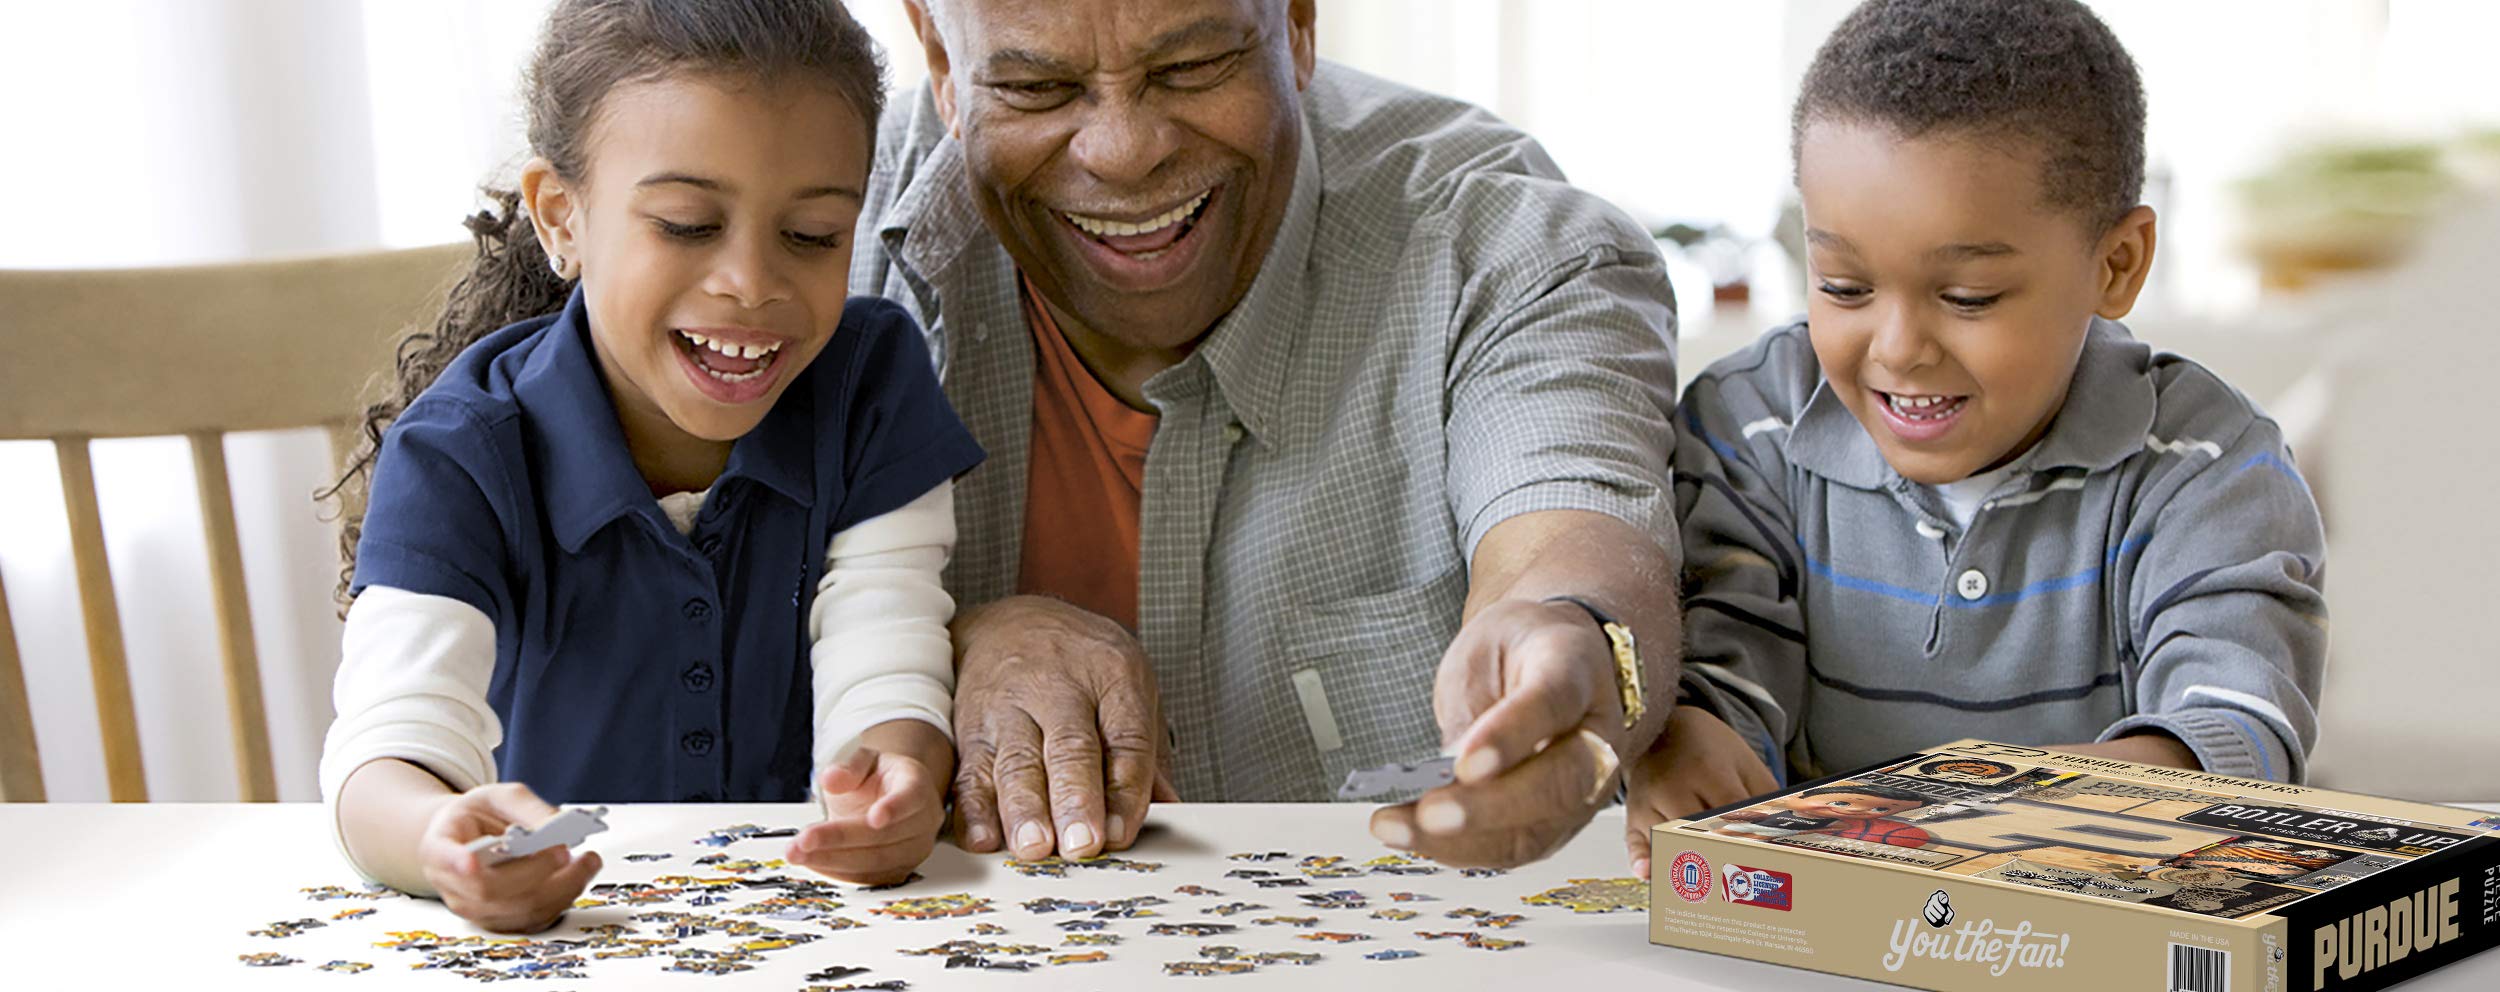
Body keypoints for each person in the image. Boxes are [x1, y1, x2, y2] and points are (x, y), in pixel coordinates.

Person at [857, 0, 1697, 869]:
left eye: (1190, 68)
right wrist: (934, 641)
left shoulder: (1502, 243)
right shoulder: (801, 222)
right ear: (942, 61)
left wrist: (1574, 639)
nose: (1124, 151)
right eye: (1036, 87)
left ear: (1297, 22)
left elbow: (1568, 528)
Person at [316, 0, 983, 932]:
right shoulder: (460, 452)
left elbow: (886, 648)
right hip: (565, 940)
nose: (751, 281)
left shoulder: (871, 385)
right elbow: (386, 751)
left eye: (813, 235)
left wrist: (895, 777)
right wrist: (438, 836)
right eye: (684, 223)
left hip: (813, 929)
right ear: (561, 217)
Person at [1629, 0, 2328, 872]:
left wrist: (2009, 818)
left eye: (1967, 298)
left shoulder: (2208, 464)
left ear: (2116, 266)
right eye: (1844, 286)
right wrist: (1688, 734)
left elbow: (2232, 720)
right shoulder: (1749, 424)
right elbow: (1726, 650)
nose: (1897, 349)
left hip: (2082, 921)